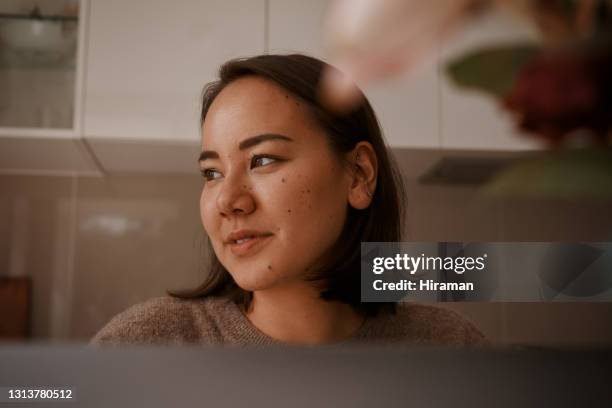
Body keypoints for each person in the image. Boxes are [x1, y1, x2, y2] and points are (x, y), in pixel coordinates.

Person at [91, 54, 486, 347]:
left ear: (359, 175)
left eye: (262, 160)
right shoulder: (145, 345)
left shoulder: (449, 345)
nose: (228, 200)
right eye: (212, 173)